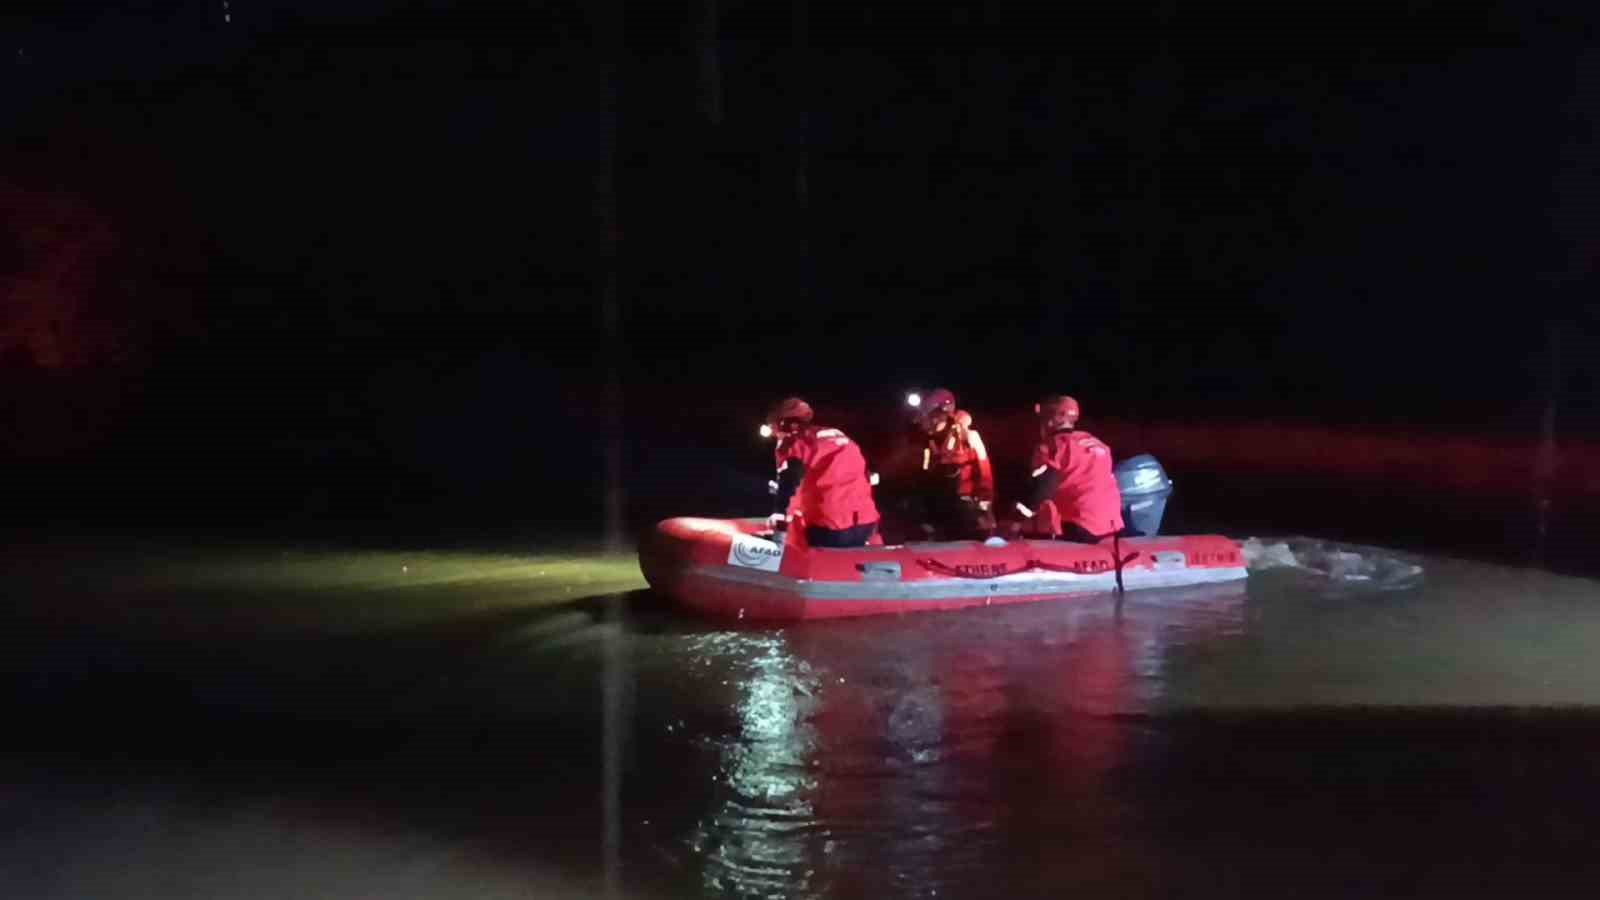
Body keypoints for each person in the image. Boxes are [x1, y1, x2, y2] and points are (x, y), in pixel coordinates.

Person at [764, 396, 881, 548]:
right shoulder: (837, 435)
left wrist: (779, 514)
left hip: (830, 526)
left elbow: (790, 480)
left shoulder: (793, 443)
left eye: (774, 428)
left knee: (814, 563)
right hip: (866, 521)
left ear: (783, 424)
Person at [1015, 394, 1124, 542]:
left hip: (1081, 526)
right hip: (1112, 526)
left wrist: (1015, 520)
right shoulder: (1098, 444)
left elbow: (1042, 490)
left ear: (1050, 421)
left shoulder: (1051, 447)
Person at [910, 388, 995, 540]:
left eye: (928, 416)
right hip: (942, 507)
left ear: (941, 414)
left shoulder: (969, 437)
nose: (925, 422)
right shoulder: (928, 442)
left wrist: (983, 506)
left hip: (966, 507)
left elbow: (985, 472)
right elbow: (925, 477)